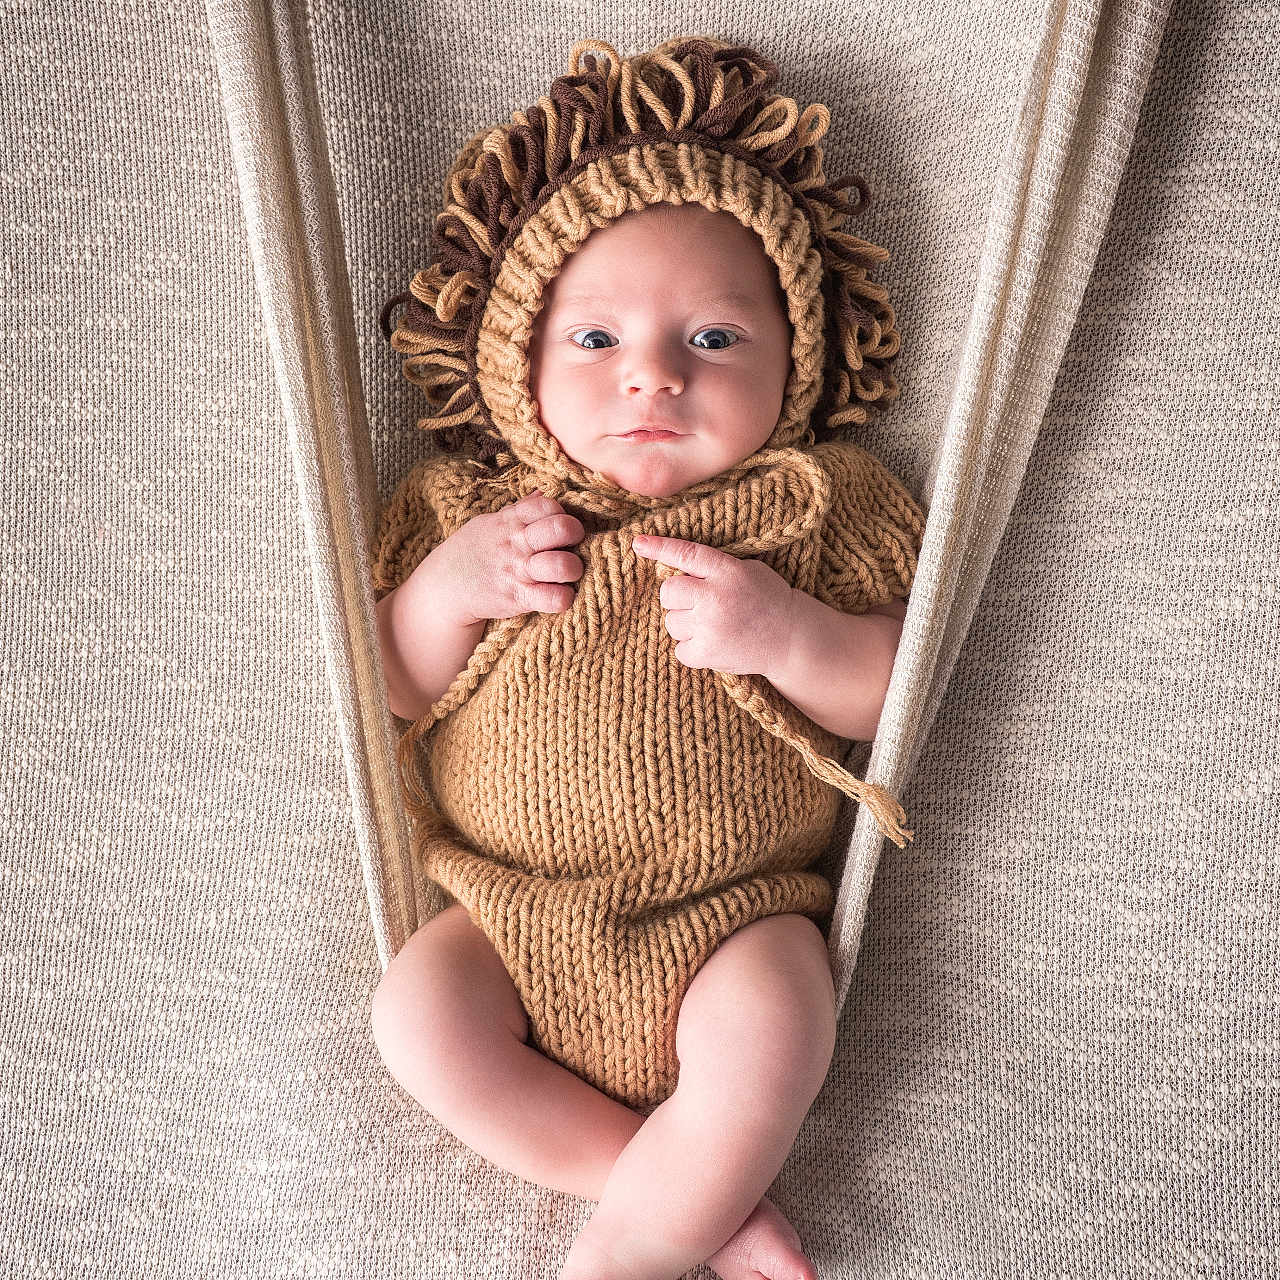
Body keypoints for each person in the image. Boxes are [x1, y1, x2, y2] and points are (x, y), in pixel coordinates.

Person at [368, 36, 927, 1280]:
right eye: (594, 340)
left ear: (795, 361)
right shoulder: (477, 512)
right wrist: (452, 586)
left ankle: (630, 1249)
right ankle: (678, 1194)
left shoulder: (815, 509)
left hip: (732, 916)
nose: (654, 375)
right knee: (416, 1017)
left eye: (714, 338)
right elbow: (397, 686)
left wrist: (790, 634)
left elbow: (896, 695)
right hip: (505, 909)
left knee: (778, 1021)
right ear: (517, 365)